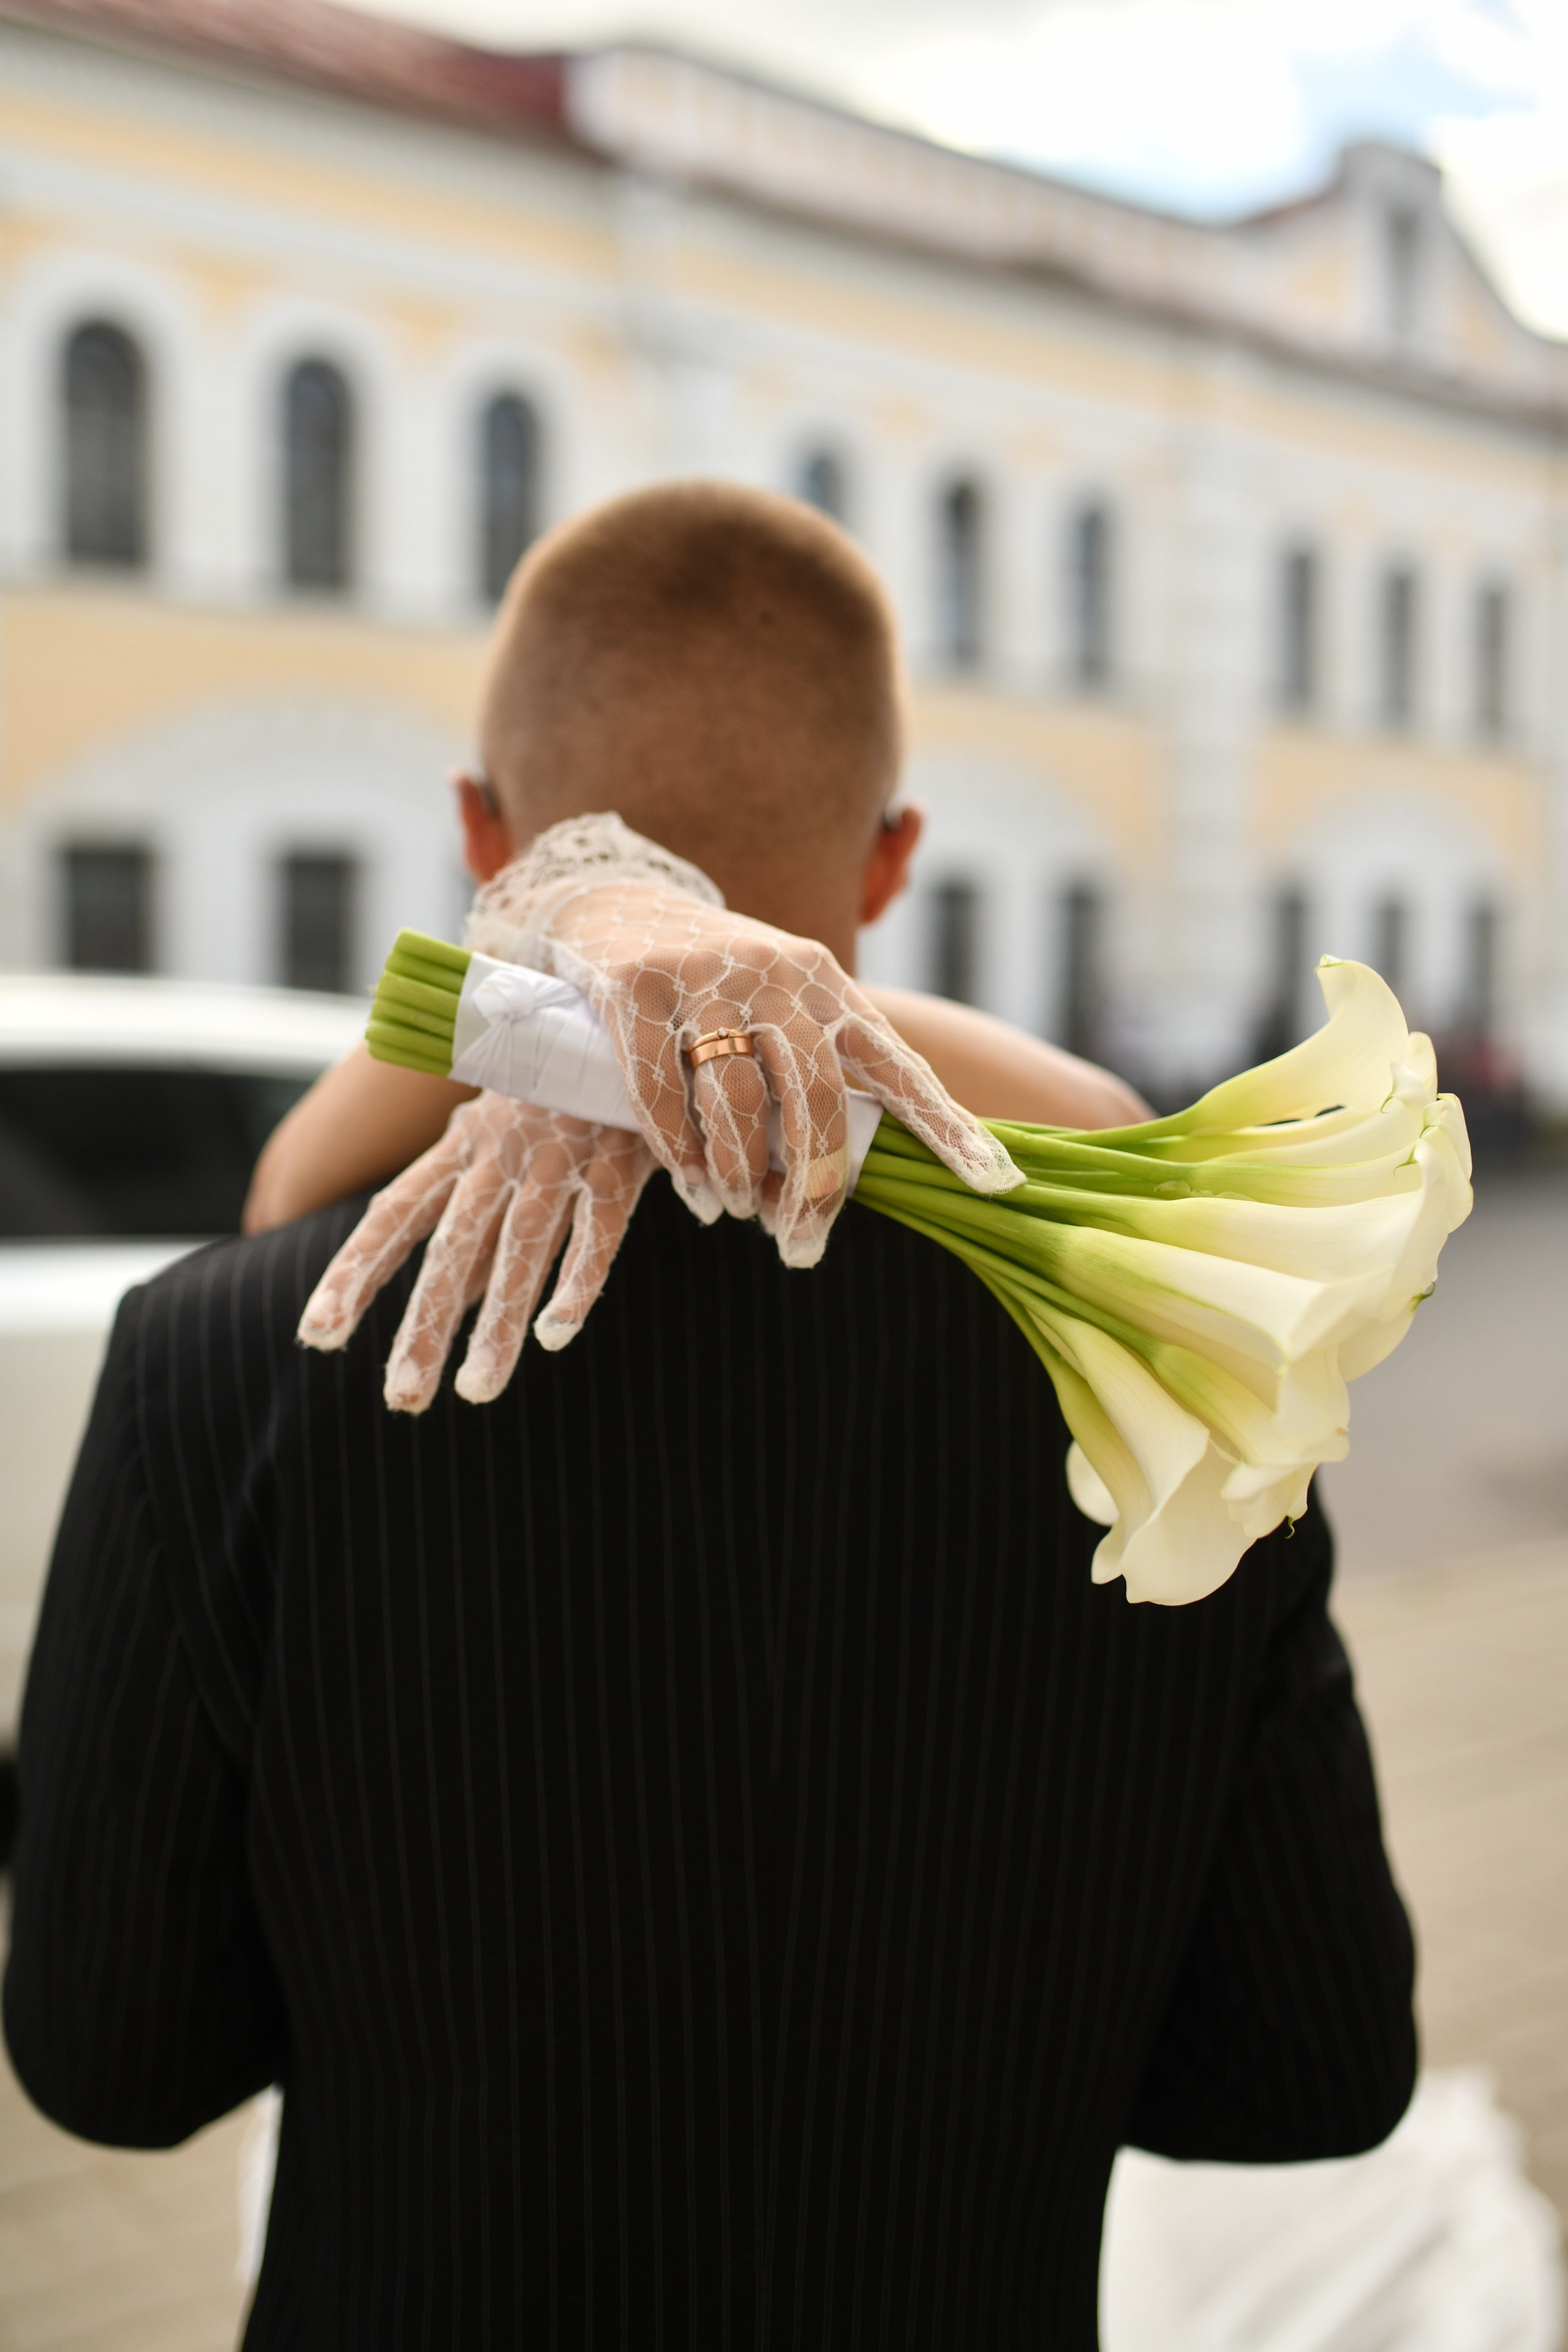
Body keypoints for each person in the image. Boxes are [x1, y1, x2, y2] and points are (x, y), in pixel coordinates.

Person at [4, 484, 1415, 2350]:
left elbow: (114, 2060)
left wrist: (561, 968)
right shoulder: (1172, 1371)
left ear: (472, 833)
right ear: (893, 860)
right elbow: (1307, 2074)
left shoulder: (215, 1357)